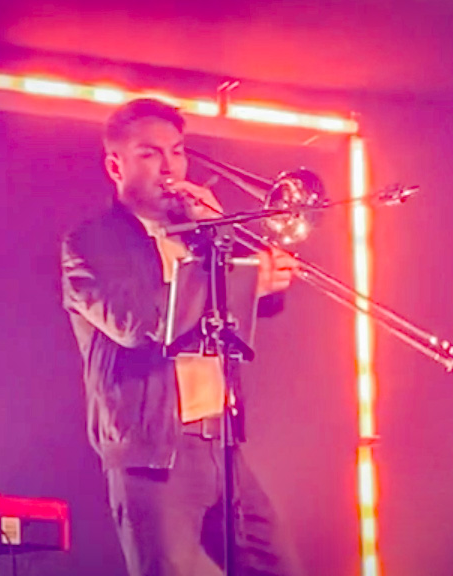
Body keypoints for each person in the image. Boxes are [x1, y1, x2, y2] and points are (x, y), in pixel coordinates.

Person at [61, 98, 303, 576]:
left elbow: (262, 307)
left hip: (221, 442)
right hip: (152, 452)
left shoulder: (196, 234)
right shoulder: (90, 242)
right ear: (116, 166)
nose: (170, 167)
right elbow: (135, 323)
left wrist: (224, 241)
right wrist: (227, 268)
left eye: (177, 151)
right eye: (150, 154)